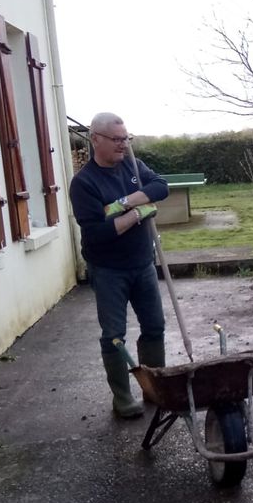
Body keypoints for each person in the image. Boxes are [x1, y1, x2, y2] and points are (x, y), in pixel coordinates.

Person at [70, 112, 169, 418]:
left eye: (126, 138)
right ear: (95, 139)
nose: (123, 145)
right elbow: (98, 234)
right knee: (114, 334)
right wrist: (140, 213)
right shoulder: (83, 183)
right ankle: (123, 399)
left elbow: (161, 187)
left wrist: (123, 205)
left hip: (142, 262)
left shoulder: (132, 165)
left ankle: (155, 389)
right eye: (116, 139)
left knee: (154, 326)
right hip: (108, 268)